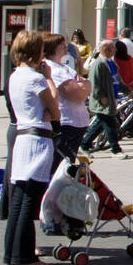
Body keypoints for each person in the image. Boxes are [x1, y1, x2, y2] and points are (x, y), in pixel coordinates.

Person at [2, 30, 61, 265]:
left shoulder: (15, 76)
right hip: (38, 138)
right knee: (29, 199)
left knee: (19, 199)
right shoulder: (36, 79)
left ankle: (11, 252)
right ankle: (23, 256)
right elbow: (55, 109)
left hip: (22, 136)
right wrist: (48, 77)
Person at [44, 33, 91, 174]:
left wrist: (85, 85)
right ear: (52, 49)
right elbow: (77, 95)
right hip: (66, 124)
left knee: (67, 164)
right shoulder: (53, 69)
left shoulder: (65, 68)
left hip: (76, 123)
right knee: (60, 166)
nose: (66, 48)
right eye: (62, 46)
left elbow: (86, 86)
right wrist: (84, 85)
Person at [81, 39, 123, 156]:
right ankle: (115, 149)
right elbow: (94, 83)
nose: (115, 50)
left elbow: (117, 79)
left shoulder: (111, 63)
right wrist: (101, 97)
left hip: (111, 98)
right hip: (103, 101)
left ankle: (84, 145)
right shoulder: (98, 64)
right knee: (110, 124)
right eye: (113, 48)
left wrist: (127, 90)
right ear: (106, 50)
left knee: (100, 124)